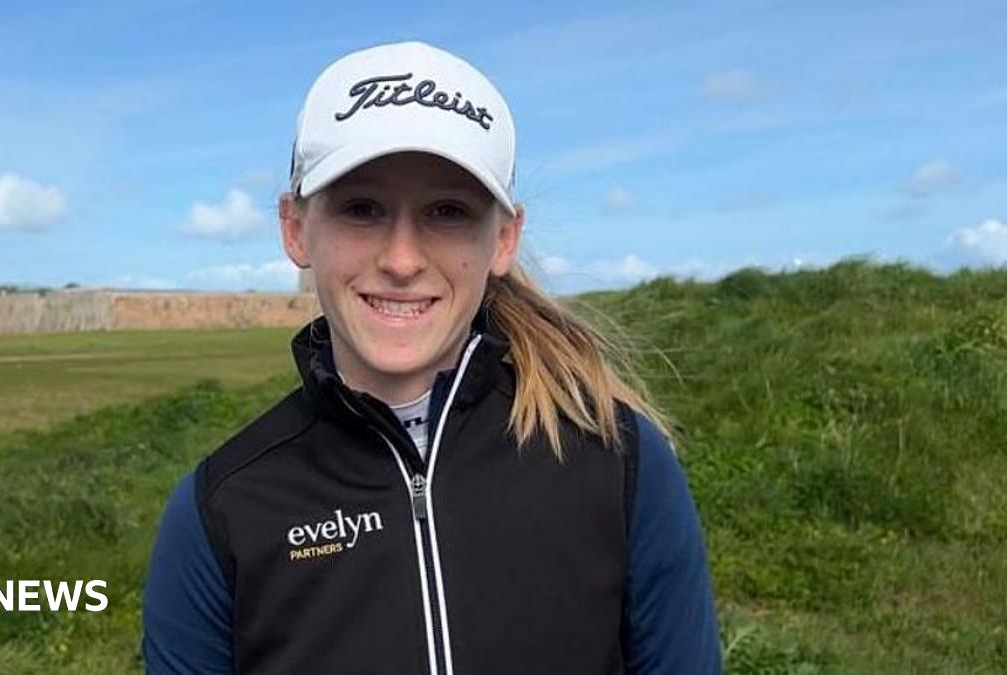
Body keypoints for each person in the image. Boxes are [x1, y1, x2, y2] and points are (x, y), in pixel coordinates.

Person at [141, 40, 722, 674]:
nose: (401, 260)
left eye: (448, 211)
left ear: (504, 239)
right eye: (362, 208)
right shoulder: (220, 509)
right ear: (295, 228)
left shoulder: (619, 458)